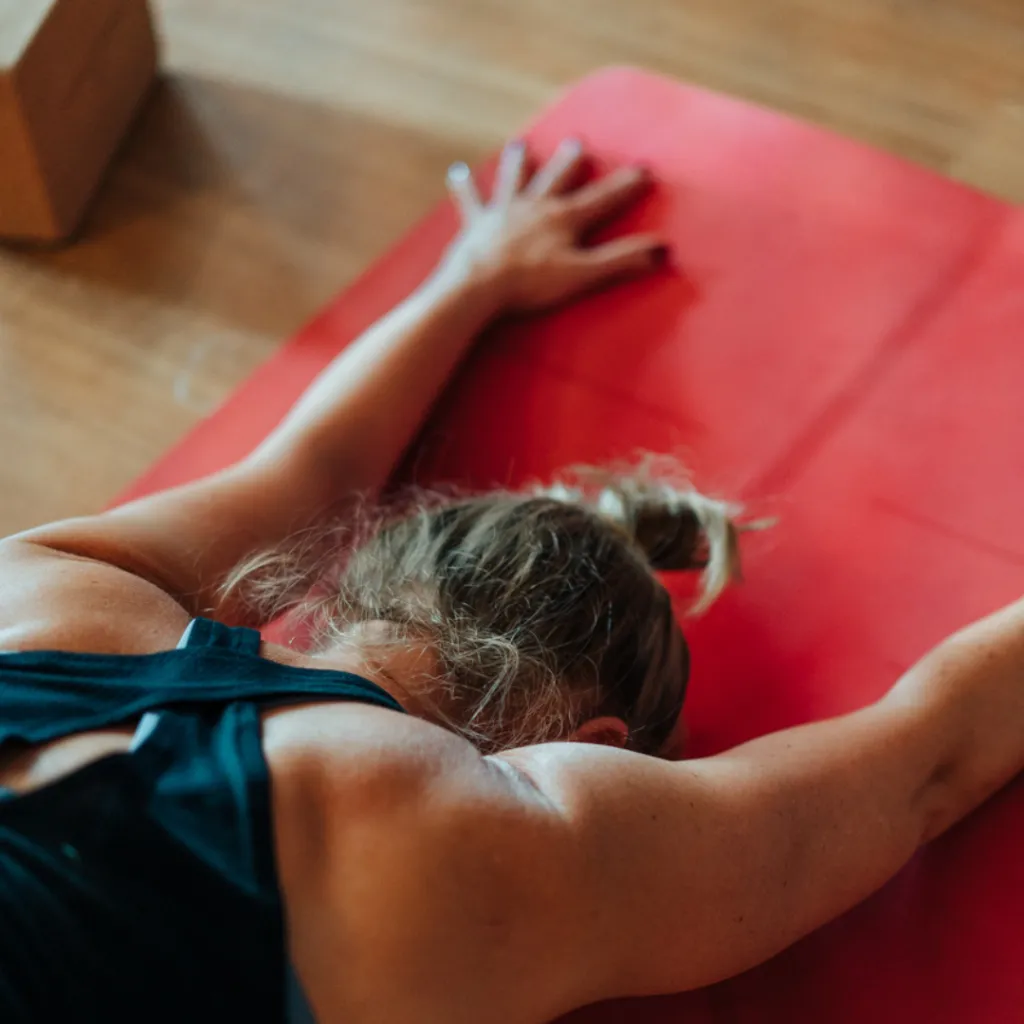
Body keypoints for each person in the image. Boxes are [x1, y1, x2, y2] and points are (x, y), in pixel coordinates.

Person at [0, 138, 1020, 1024]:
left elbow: (311, 464)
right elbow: (922, 764)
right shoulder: (507, 843)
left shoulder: (50, 588)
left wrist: (472, 276)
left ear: (340, 579)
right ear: (598, 750)